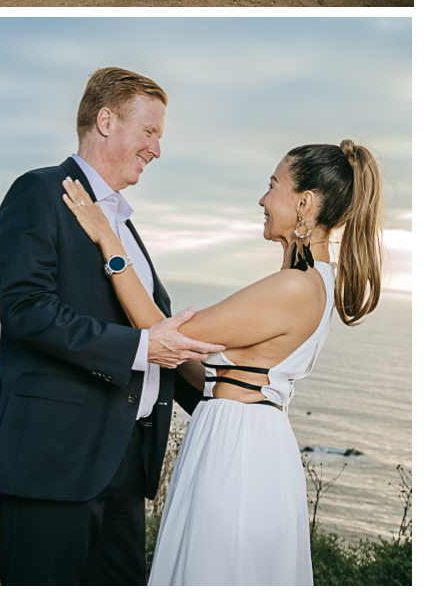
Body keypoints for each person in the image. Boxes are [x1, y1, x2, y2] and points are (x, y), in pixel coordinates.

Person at [63, 139, 383, 585]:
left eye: (273, 185)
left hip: (239, 449)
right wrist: (175, 353)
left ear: (304, 202)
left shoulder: (294, 287)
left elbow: (165, 335)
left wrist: (107, 239)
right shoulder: (316, 282)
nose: (263, 199)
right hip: (245, 433)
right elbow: (208, 369)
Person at [0, 67, 222, 586]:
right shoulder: (38, 191)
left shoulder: (123, 225)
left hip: (127, 465)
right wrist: (141, 348)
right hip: (53, 458)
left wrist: (229, 401)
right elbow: (25, 309)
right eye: (149, 132)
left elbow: (154, 328)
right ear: (106, 121)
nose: (156, 149)